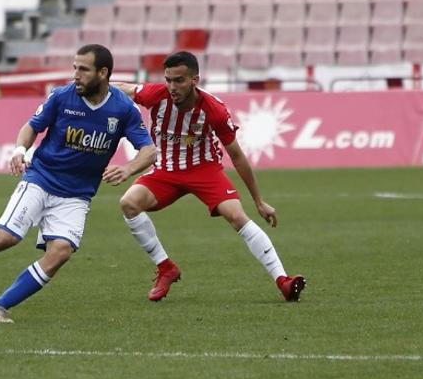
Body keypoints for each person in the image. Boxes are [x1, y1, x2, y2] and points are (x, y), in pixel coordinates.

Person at [0, 44, 157, 323]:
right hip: (41, 179)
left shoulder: (123, 108)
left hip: (77, 195)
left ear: (103, 73)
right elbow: (32, 126)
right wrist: (20, 150)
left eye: (83, 69)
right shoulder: (61, 97)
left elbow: (149, 151)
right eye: (74, 67)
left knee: (60, 253)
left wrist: (127, 169)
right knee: (7, 237)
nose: (76, 75)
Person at [111, 51, 306, 303]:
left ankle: (283, 281)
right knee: (128, 203)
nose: (172, 87)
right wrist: (90, 87)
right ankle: (165, 267)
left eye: (179, 80)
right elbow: (124, 89)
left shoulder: (213, 109)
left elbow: (236, 156)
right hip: (166, 170)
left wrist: (258, 201)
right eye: (168, 80)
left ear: (195, 80)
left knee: (236, 216)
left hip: (204, 169)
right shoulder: (155, 95)